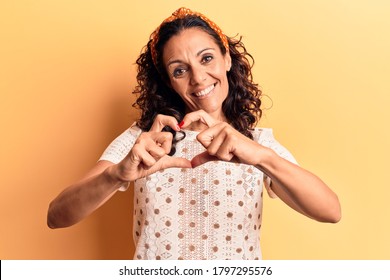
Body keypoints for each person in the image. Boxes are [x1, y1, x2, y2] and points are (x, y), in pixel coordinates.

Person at [47, 7, 341, 260]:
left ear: (226, 59)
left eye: (207, 58)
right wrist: (115, 176)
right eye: (179, 70)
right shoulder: (145, 140)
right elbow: (57, 216)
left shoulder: (256, 143)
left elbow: (330, 211)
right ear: (169, 82)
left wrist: (264, 158)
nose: (198, 78)